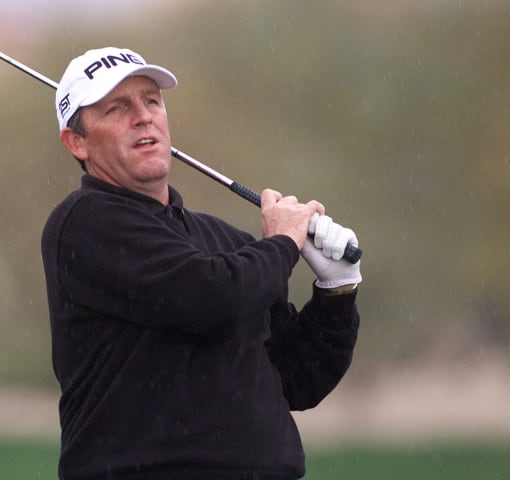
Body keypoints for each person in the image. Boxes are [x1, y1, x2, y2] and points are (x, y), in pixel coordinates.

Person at [41, 47, 362, 480]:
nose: (143, 116)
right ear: (76, 141)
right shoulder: (85, 222)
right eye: (116, 108)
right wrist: (285, 240)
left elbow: (296, 379)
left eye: (151, 100)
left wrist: (337, 292)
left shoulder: (228, 243)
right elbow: (210, 298)